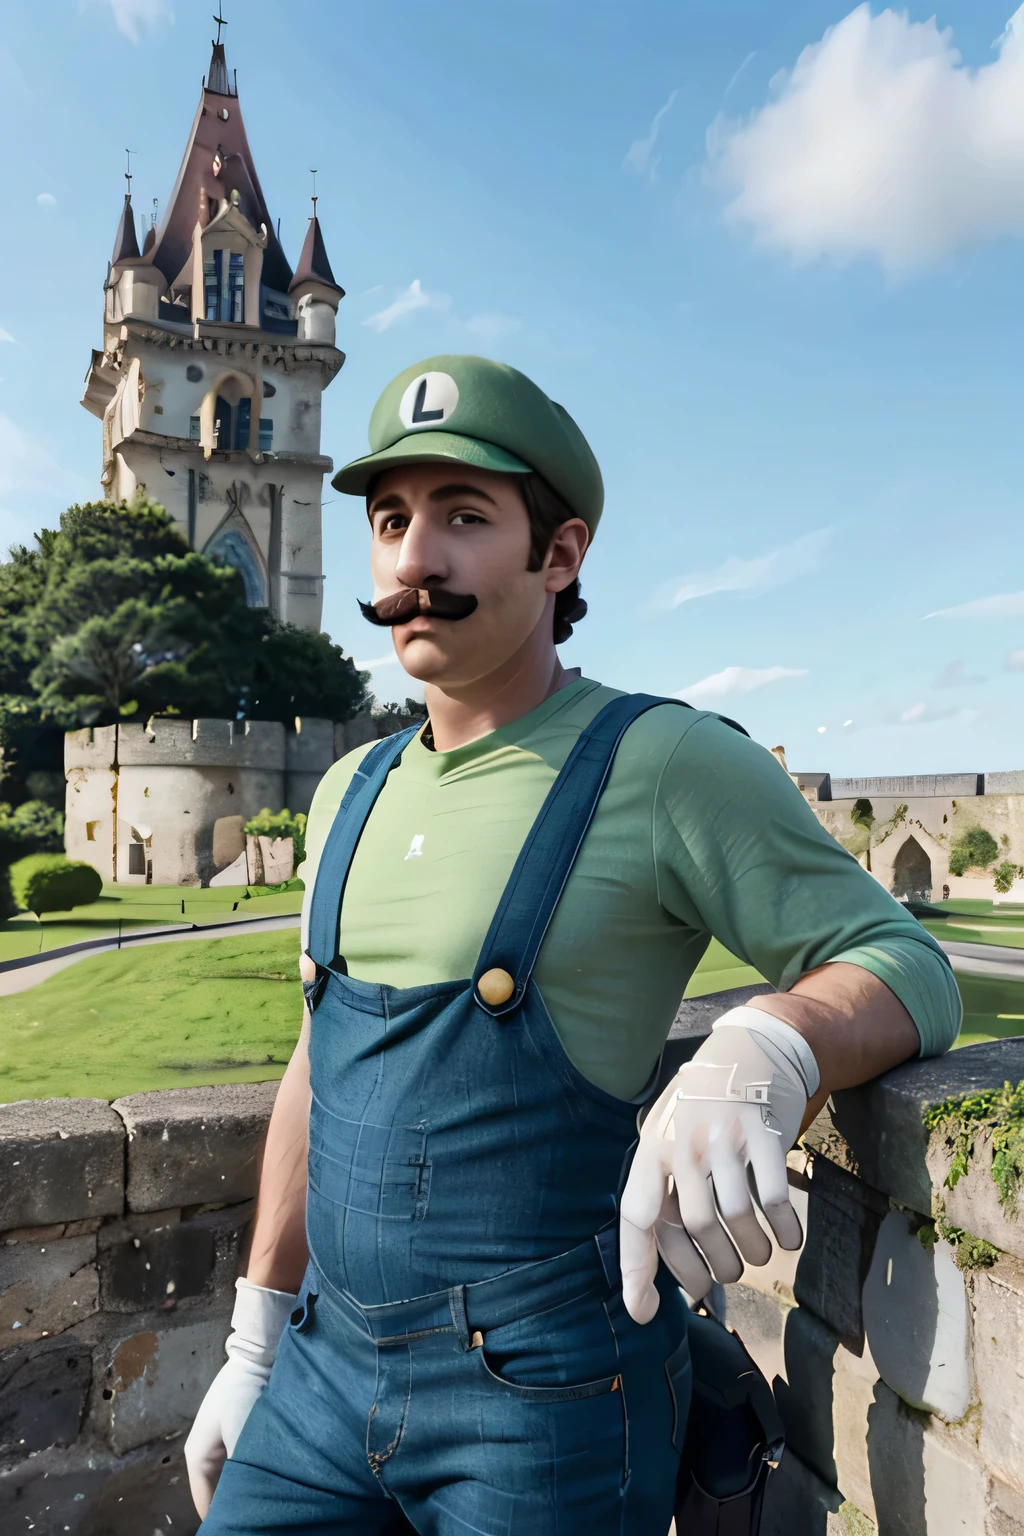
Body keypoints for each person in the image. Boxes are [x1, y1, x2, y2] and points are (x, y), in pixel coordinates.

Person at [186, 355, 961, 1534]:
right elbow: (319, 1069)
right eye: (391, 520)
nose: (413, 560)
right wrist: (253, 1335)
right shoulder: (348, 790)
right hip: (318, 1373)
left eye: (462, 516)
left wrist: (772, 1045)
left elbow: (904, 960)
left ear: (559, 555)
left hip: (545, 1399)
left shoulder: (663, 764)